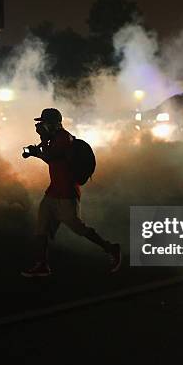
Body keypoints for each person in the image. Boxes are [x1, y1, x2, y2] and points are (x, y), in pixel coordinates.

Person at [21, 108, 121, 277]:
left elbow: (50, 157)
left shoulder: (63, 138)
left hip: (67, 192)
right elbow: (51, 158)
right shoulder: (53, 138)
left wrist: (38, 150)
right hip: (53, 191)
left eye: (43, 123)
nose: (41, 125)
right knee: (42, 227)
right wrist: (42, 142)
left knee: (77, 227)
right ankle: (42, 264)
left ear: (51, 123)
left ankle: (111, 248)